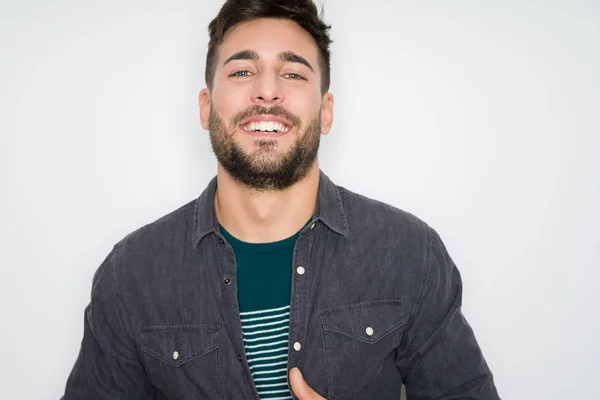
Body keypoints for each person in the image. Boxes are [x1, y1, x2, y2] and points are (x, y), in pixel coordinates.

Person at [62, 0, 500, 399]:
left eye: (292, 73)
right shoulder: (131, 276)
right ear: (205, 107)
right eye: (241, 71)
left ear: (326, 112)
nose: (267, 92)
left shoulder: (411, 254)